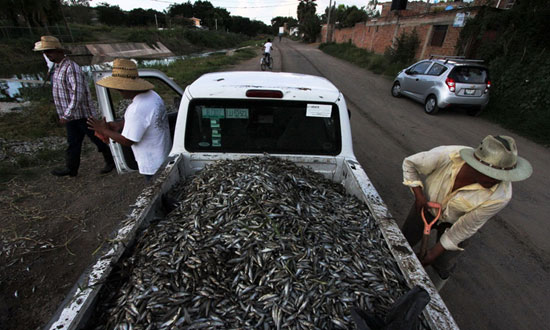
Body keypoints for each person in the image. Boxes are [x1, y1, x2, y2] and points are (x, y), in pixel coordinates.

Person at [400, 135, 532, 289]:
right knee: (403, 241)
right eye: (491, 175)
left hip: (456, 222)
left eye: (501, 177)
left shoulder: (501, 196)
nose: (496, 181)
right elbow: (409, 164)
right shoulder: (448, 155)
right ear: (477, 164)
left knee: (443, 261)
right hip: (424, 208)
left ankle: (435, 287)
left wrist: (434, 253)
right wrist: (419, 195)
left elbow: (466, 227)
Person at [33, 35, 115, 177]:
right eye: (45, 53)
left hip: (82, 114)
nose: (47, 55)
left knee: (98, 138)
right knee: (73, 142)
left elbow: (78, 94)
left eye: (50, 52)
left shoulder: (71, 68)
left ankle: (112, 161)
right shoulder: (57, 67)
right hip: (72, 116)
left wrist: (67, 115)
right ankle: (72, 168)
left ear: (59, 52)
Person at [87, 58, 171, 180]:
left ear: (127, 88)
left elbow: (127, 141)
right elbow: (146, 121)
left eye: (120, 89)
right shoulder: (153, 96)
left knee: (157, 192)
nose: (118, 91)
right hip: (164, 155)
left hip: (153, 164)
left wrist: (103, 130)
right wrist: (120, 125)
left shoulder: (136, 109)